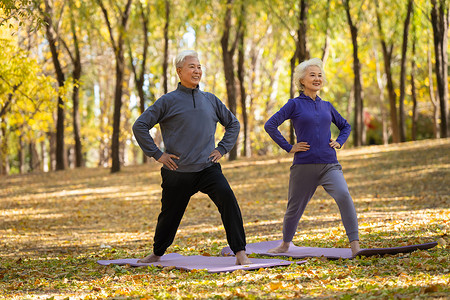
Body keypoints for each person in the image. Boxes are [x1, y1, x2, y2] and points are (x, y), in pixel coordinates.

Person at [132, 50, 251, 265]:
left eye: (198, 67)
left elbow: (233, 124)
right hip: (177, 171)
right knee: (169, 216)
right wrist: (158, 154)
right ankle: (157, 252)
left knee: (227, 198)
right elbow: (140, 125)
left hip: (207, 168)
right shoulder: (168, 101)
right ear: (179, 72)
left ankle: (240, 252)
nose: (197, 71)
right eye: (191, 67)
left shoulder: (210, 100)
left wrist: (222, 148)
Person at [264, 58, 361, 256]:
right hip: (304, 166)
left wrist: (339, 141)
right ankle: (285, 245)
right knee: (294, 208)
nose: (317, 78)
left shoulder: (327, 106)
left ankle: (356, 247)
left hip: (329, 164)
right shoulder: (294, 104)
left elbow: (346, 126)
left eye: (319, 75)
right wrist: (289, 147)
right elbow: (270, 125)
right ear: (302, 80)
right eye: (312, 75)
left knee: (344, 195)